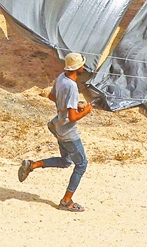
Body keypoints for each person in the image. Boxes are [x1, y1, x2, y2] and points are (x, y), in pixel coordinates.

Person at [17, 52, 92, 212]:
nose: (84, 67)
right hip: (68, 132)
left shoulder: (61, 78)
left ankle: (32, 165)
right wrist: (86, 111)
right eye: (82, 65)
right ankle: (66, 201)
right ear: (78, 68)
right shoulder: (72, 86)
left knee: (65, 161)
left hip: (57, 126)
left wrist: (71, 105)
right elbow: (73, 117)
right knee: (81, 164)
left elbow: (52, 96)